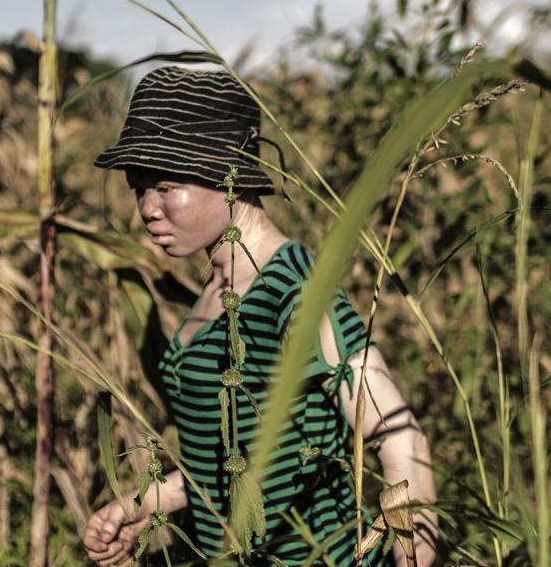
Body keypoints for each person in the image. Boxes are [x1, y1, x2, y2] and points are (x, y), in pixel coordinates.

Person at [82, 66, 437, 566]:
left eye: (165, 186)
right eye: (138, 187)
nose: (147, 209)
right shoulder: (218, 288)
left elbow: (397, 434)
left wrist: (412, 560)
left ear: (229, 174)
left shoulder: (293, 290)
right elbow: (234, 463)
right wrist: (144, 504)